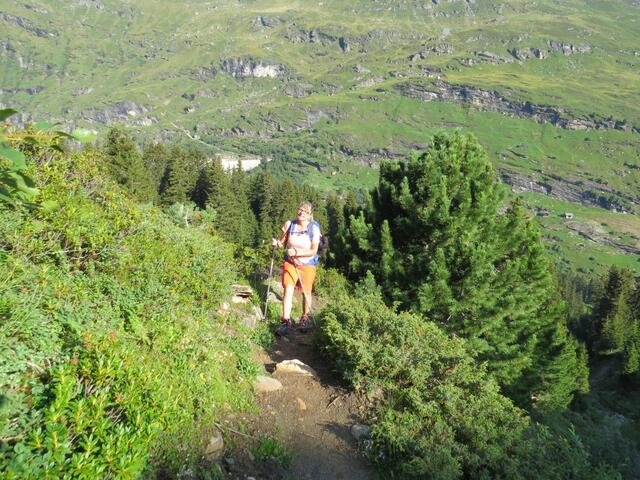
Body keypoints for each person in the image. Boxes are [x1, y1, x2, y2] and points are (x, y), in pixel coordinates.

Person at [271, 201, 321, 335]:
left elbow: (314, 250)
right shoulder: (290, 225)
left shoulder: (314, 228)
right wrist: (276, 243)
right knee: (288, 289)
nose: (301, 213)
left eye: (305, 211)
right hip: (291, 262)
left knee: (306, 292)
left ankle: (305, 318)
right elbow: (282, 243)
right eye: (300, 210)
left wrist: (297, 253)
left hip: (308, 264)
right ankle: (285, 321)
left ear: (310, 214)